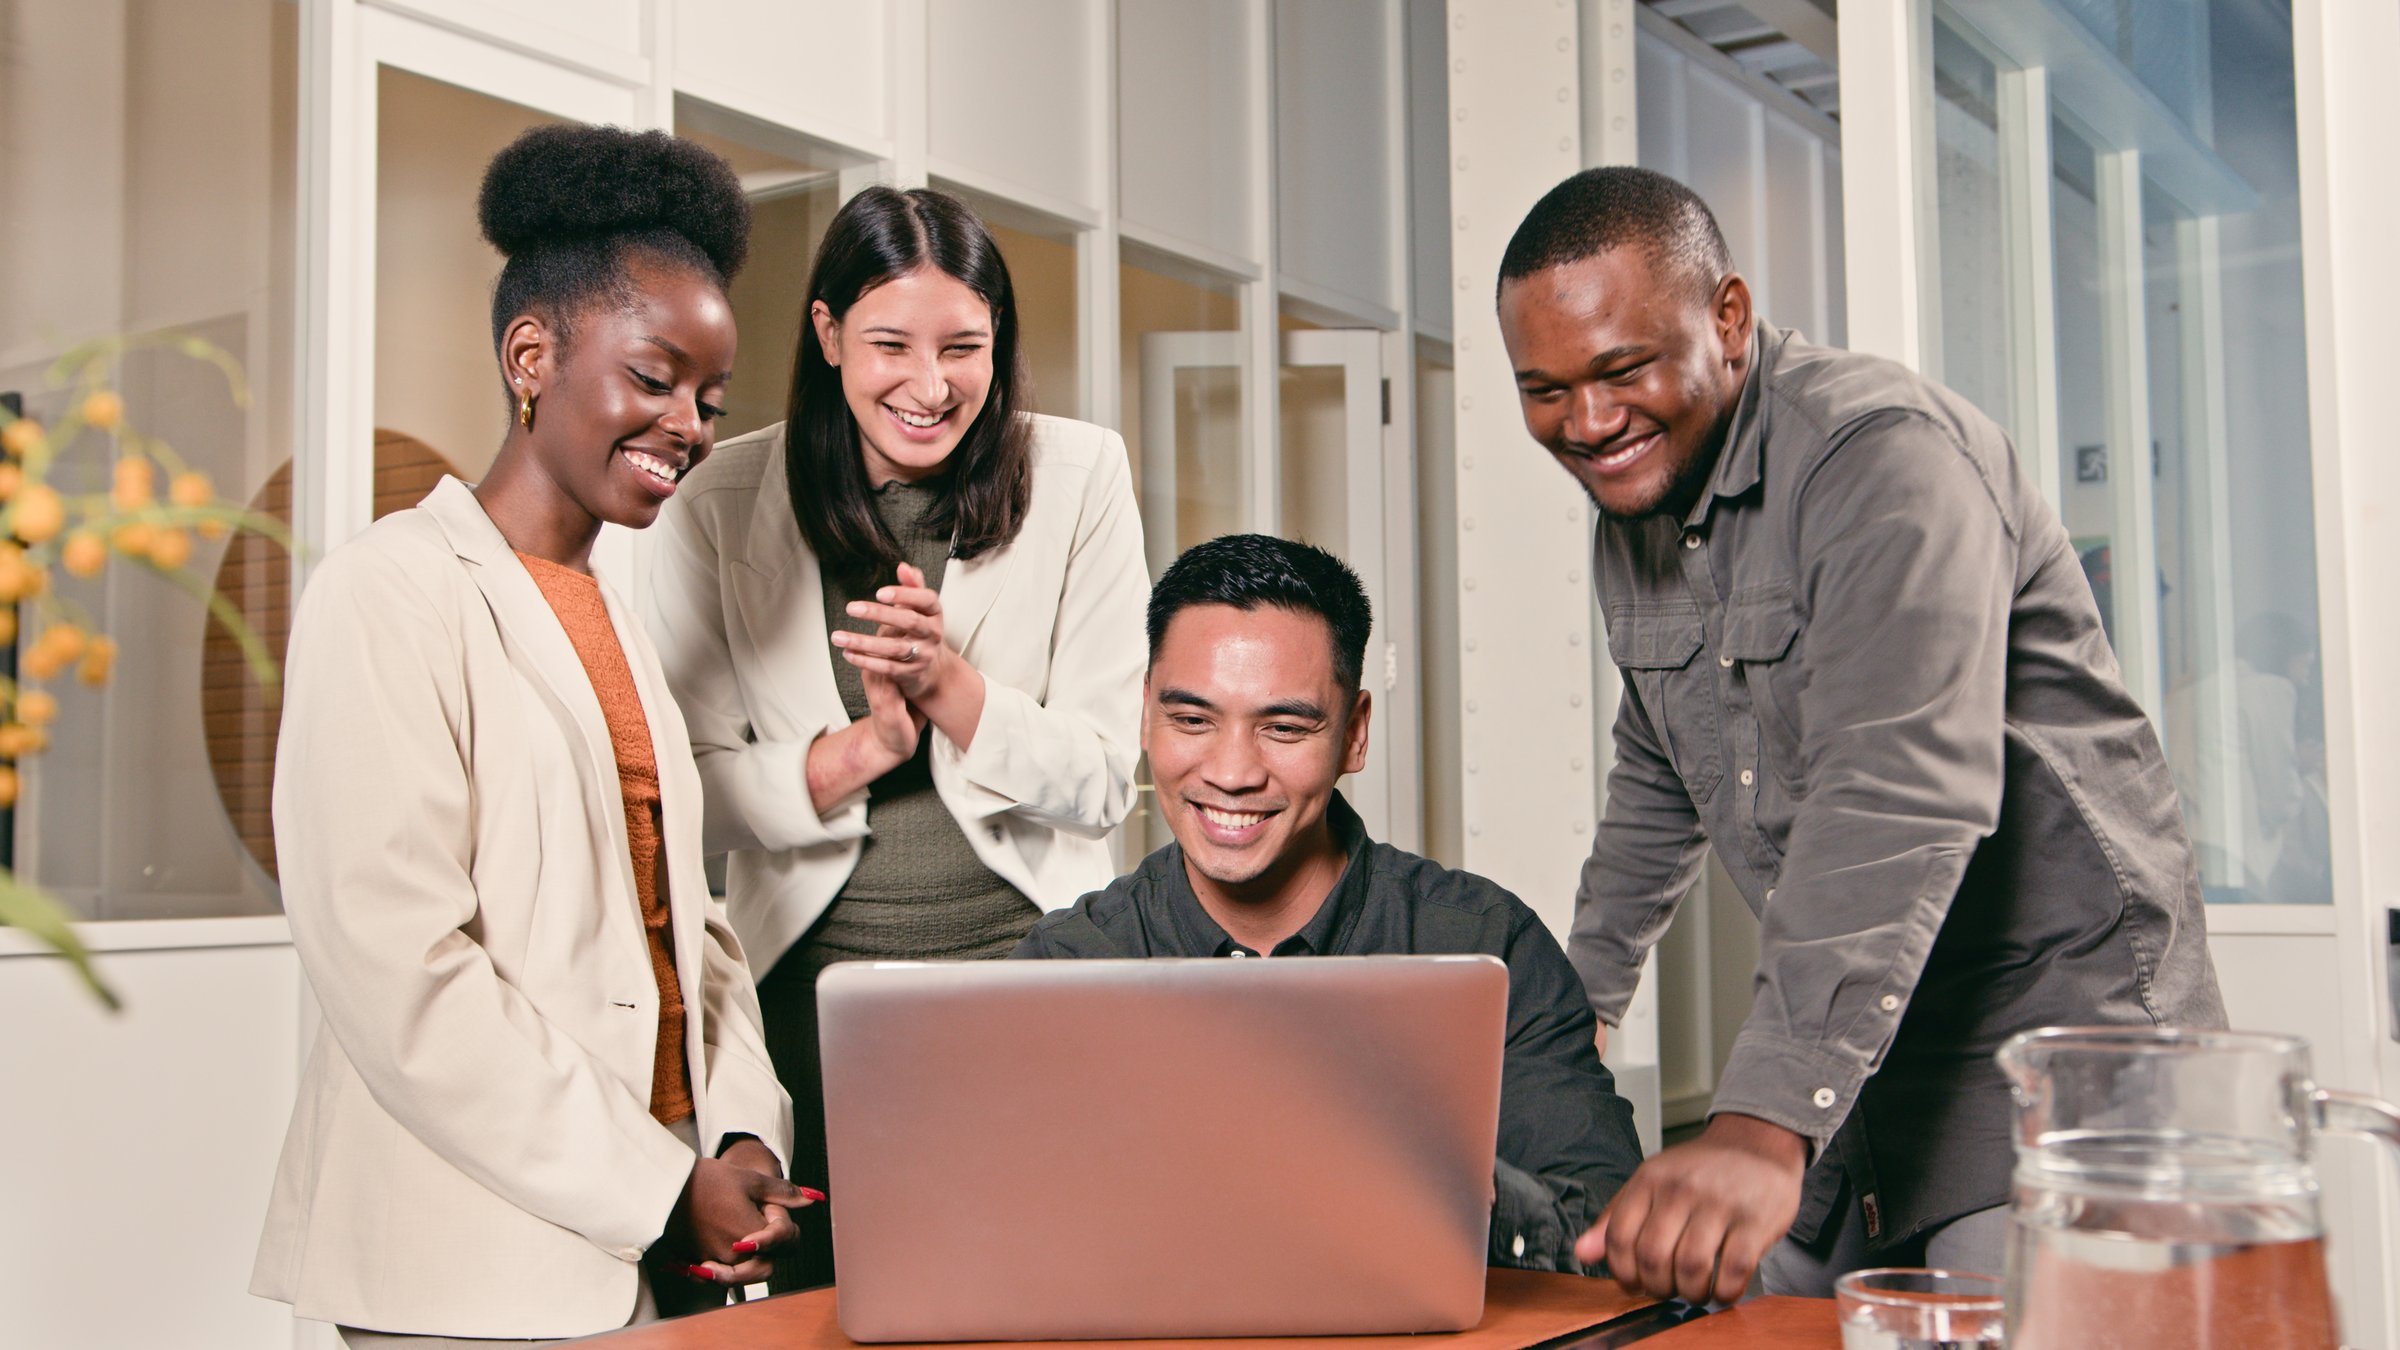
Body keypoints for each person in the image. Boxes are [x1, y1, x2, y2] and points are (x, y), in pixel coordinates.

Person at [1492, 167, 2226, 1304]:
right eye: (1545, 391)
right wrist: (1574, 1010)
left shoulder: (1883, 459)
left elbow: (1896, 792)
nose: (1588, 425)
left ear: (1727, 317)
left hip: (2056, 1055)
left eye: (1622, 370)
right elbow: (1659, 773)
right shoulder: (1638, 508)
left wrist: (1760, 1121)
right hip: (1863, 1073)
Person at [253, 126, 807, 1346]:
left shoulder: (615, 615)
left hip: (639, 1254)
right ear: (530, 353)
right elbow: (398, 966)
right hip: (466, 1270)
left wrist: (741, 1129)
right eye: (654, 379)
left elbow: (690, 930)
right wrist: (663, 1190)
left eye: (711, 400)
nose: (689, 427)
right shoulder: (389, 590)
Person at [646, 185, 1148, 1289]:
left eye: (965, 347)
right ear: (826, 335)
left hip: (1031, 977)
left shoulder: (1080, 476)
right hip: (817, 1005)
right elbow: (685, 797)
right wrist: (863, 750)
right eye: (890, 345)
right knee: (840, 1299)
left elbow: (1108, 776)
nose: (931, 387)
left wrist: (952, 689)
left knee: (1041, 1290)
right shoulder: (718, 495)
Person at [1013, 534, 1643, 1272]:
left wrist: (1415, 1180)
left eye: (1284, 727)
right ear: (1146, 716)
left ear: (1355, 734)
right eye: (1192, 720)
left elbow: (1602, 1227)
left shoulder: (1486, 947)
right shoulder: (1064, 968)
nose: (1232, 771)